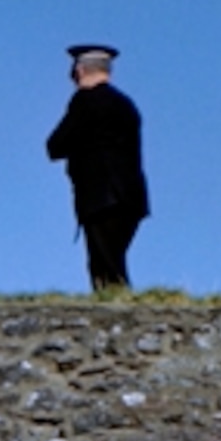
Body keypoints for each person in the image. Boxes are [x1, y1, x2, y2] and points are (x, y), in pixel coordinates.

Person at [45, 43, 148, 293]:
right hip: (130, 197)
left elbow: (55, 145)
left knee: (104, 265)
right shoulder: (126, 106)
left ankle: (118, 312)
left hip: (100, 197)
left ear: (79, 71)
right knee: (113, 257)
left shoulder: (85, 102)